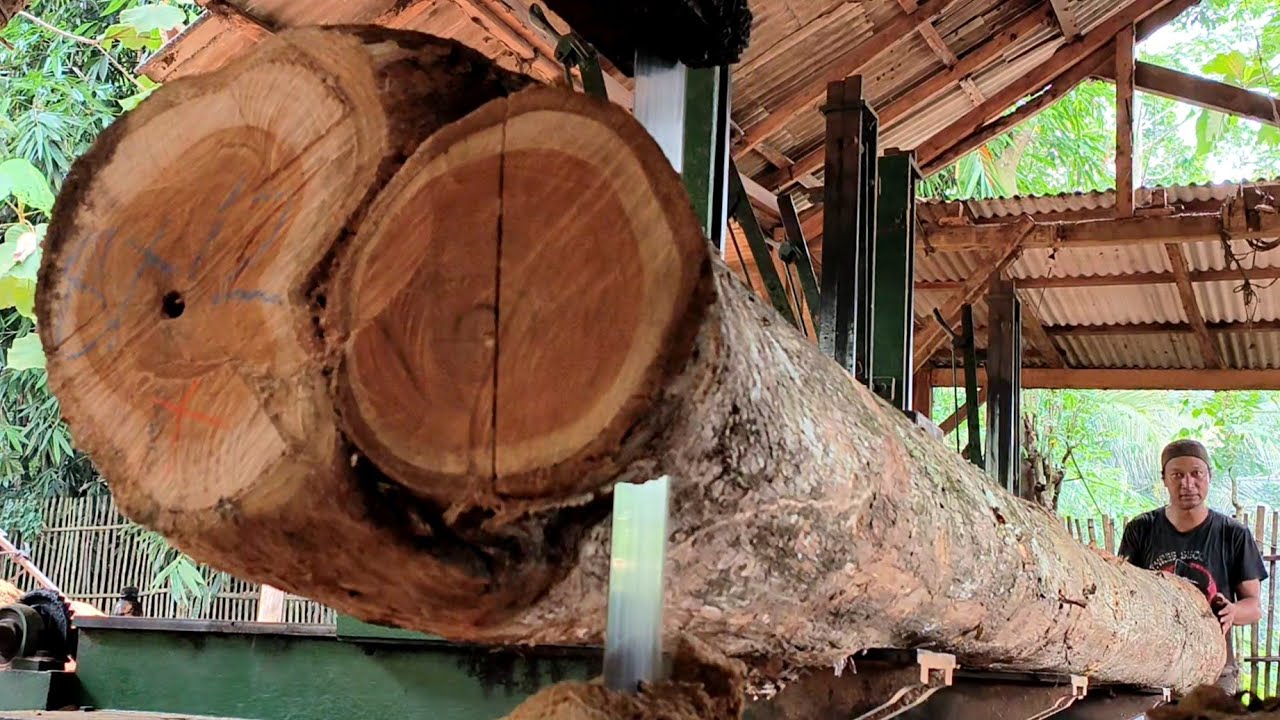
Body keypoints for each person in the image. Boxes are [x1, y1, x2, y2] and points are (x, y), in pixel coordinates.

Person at [1118, 439, 1267, 693]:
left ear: (1209, 476)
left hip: (1214, 669)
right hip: (1152, 669)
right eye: (1177, 475)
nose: (1187, 484)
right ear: (1164, 479)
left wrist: (1232, 611)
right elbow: (1125, 594)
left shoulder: (1233, 534)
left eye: (1196, 474)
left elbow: (1253, 607)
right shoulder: (1140, 529)